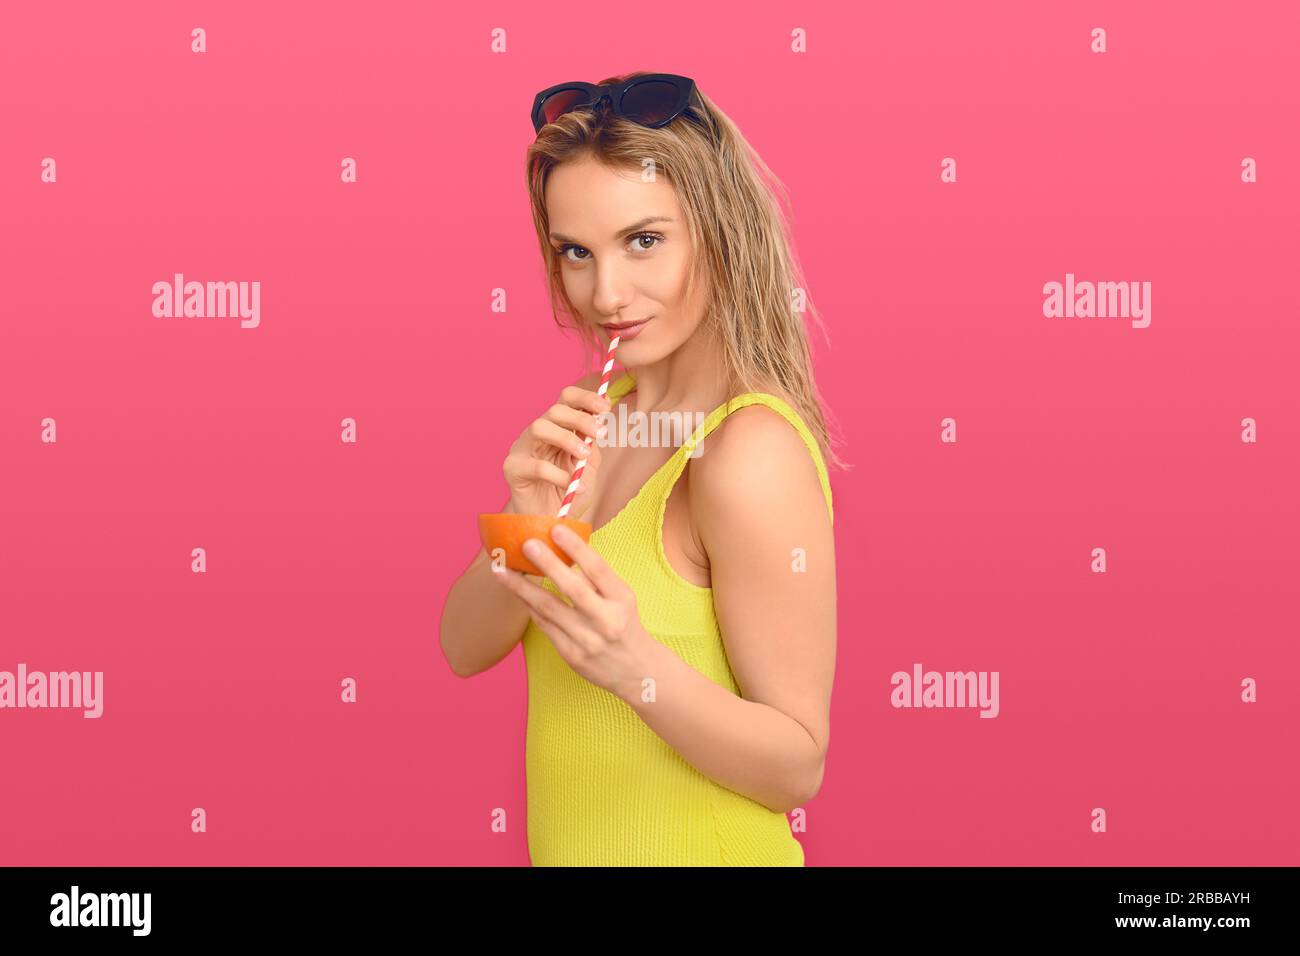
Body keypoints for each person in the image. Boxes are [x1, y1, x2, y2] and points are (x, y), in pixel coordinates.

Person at [439, 71, 848, 865]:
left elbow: (798, 765)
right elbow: (463, 647)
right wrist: (525, 523)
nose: (607, 292)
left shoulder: (745, 451)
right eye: (575, 253)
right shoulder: (597, 420)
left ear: (717, 230)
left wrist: (637, 669)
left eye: (644, 240)